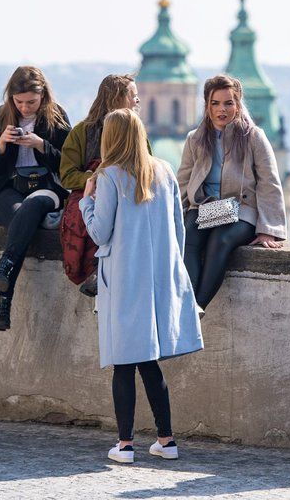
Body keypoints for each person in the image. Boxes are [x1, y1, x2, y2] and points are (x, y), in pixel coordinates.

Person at [80, 108, 202, 464]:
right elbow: (179, 231)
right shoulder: (163, 171)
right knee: (149, 362)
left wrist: (87, 199)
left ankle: (125, 444)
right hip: (158, 278)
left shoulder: (109, 177)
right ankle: (166, 440)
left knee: (123, 362)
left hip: (123, 278)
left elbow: (100, 232)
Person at [176, 74, 286, 311]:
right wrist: (177, 217)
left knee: (220, 240)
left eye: (228, 103)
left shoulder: (253, 136)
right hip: (209, 207)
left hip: (240, 210)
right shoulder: (195, 139)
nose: (221, 109)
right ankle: (185, 303)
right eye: (215, 103)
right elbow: (182, 183)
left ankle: (197, 307)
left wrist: (269, 230)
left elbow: (270, 183)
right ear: (206, 105)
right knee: (189, 237)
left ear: (238, 104)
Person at [0, 66, 71, 331]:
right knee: (24, 219)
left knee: (30, 209)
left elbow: (67, 164)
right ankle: (4, 278)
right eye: (18, 102)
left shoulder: (57, 116)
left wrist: (40, 145)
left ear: (43, 96)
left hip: (45, 185)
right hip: (8, 187)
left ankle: (4, 292)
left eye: (31, 102)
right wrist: (1, 144)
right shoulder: (0, 116)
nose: (24, 108)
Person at [59, 74, 140, 294]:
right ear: (117, 98)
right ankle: (94, 270)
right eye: (133, 96)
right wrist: (95, 180)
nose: (137, 101)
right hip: (91, 193)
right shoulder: (82, 132)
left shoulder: (136, 134)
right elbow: (67, 175)